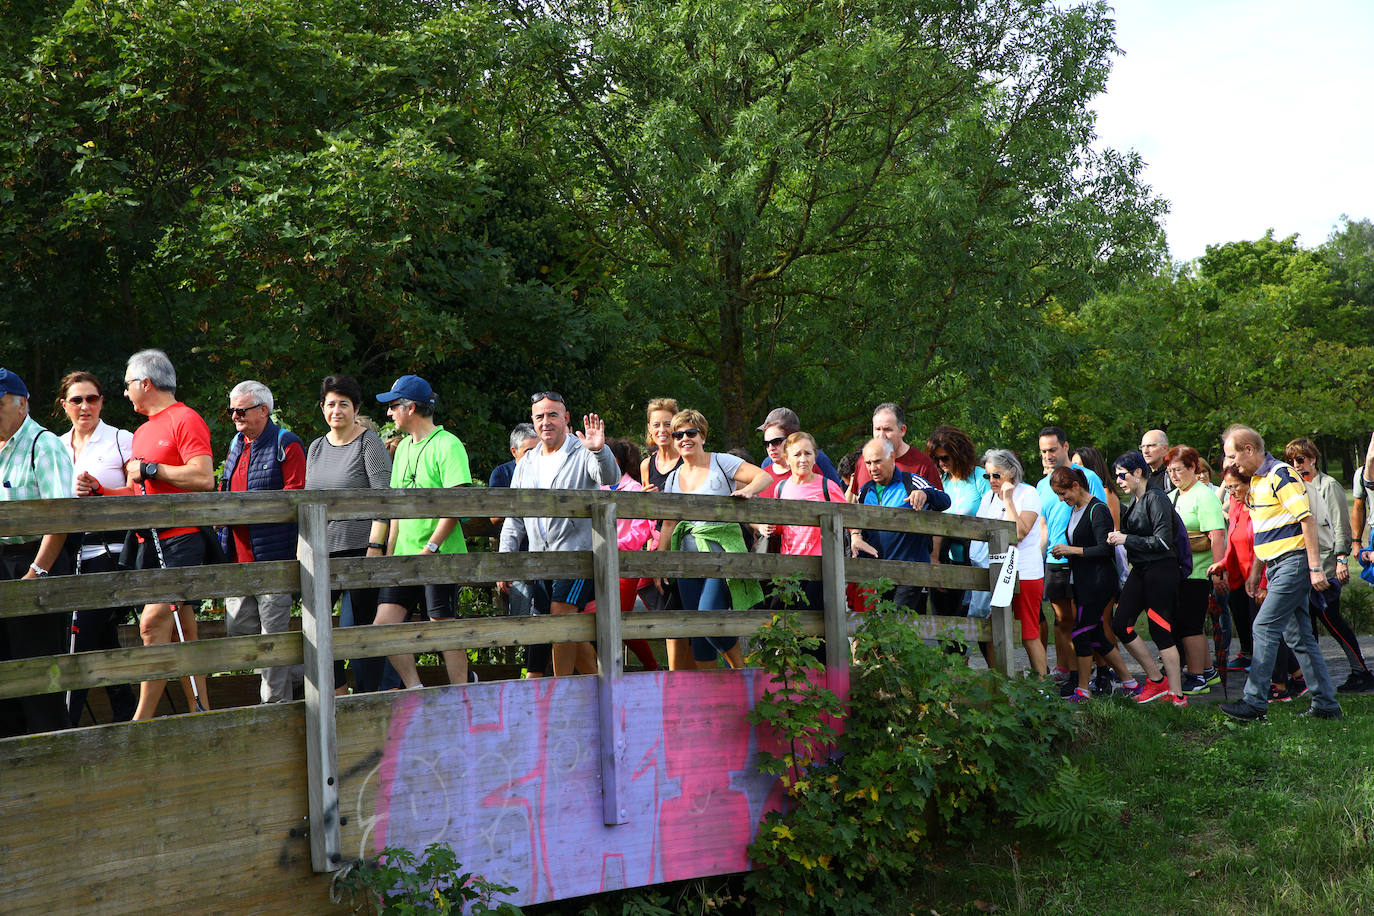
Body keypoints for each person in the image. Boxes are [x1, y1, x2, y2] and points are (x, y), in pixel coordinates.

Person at [77, 349, 215, 720]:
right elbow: (142, 490)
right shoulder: (140, 432)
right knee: (181, 630)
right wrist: (102, 493)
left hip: (182, 537)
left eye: (126, 385)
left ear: (145, 383)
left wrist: (153, 467)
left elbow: (204, 477)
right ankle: (201, 713)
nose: (124, 393)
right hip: (147, 542)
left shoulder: (185, 419)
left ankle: (140, 723)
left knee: (152, 624)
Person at [1217, 426, 1340, 721]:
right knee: (1300, 637)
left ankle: (1254, 702)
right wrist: (1255, 573)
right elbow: (1263, 534)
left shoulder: (1280, 475)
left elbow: (1306, 520)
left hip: (1294, 564)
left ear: (1249, 449)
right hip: (1277, 565)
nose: (1231, 463)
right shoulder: (1257, 482)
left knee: (1263, 628)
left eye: (1233, 456)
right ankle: (1326, 704)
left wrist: (1313, 568)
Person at [498, 391, 619, 676]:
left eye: (553, 415)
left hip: (576, 557)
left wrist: (599, 451)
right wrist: (505, 559)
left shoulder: (583, 451)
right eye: (540, 416)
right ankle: (601, 687)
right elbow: (514, 516)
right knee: (565, 627)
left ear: (566, 418)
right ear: (533, 420)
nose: (546, 422)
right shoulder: (527, 462)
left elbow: (609, 477)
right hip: (541, 558)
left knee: (559, 617)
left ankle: (560, 690)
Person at [372, 375, 474, 687]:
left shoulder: (448, 444)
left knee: (441, 625)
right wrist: (390, 556)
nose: (389, 413)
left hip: (438, 556)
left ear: (410, 407)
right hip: (404, 558)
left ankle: (462, 689)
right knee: (383, 626)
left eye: (393, 407)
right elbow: (397, 510)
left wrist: (430, 547)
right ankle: (416, 690)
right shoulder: (401, 449)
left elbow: (457, 503)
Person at [656, 409, 772, 670]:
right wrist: (660, 562)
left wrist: (748, 491)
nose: (684, 438)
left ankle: (739, 670)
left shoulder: (721, 462)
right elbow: (669, 523)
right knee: (698, 629)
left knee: (708, 615)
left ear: (703, 436)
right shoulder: (673, 476)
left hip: (721, 555)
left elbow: (763, 476)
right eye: (678, 434)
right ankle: (709, 696)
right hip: (686, 560)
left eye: (691, 432)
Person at [304, 374, 394, 694]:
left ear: (355, 408)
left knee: (363, 632)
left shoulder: (368, 442)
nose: (337, 410)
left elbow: (383, 497)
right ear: (322, 408)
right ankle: (338, 694)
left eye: (344, 404)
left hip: (360, 549)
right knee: (316, 628)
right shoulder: (315, 447)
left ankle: (371, 696)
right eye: (331, 404)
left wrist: (375, 544)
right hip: (321, 552)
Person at [219, 380, 306, 704]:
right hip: (238, 558)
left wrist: (249, 506)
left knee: (272, 639)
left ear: (263, 410)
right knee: (239, 631)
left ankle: (275, 709)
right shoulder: (235, 444)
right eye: (232, 411)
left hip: (273, 557)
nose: (234, 416)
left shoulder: (287, 443)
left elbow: (295, 497)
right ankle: (301, 671)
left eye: (240, 411)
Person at [57, 371, 136, 724]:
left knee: (84, 633)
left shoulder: (122, 440)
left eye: (92, 398)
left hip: (112, 553)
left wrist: (101, 491)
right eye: (77, 399)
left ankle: (67, 722)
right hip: (67, 553)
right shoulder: (54, 446)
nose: (85, 405)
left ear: (102, 401)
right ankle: (125, 708)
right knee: (99, 635)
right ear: (64, 406)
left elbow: (141, 493)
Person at [0, 368, 75, 736]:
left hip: (34, 560)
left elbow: (60, 517)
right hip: (3, 562)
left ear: (21, 404)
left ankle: (49, 749)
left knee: (37, 666)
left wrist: (37, 571)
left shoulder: (43, 444)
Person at [1285, 437, 1372, 693]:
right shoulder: (1294, 487)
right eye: (1291, 461)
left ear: (1313, 458)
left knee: (1331, 619)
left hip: (1325, 563)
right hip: (1302, 563)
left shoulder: (1328, 485)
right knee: (1305, 625)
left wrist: (1342, 558)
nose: (1296, 465)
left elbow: (1339, 525)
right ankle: (1311, 679)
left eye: (1300, 459)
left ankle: (1361, 671)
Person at [1047, 466, 1133, 702]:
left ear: (1076, 486)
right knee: (1095, 635)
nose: (1062, 499)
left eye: (1063, 494)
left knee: (1081, 633)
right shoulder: (1076, 509)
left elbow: (1105, 548)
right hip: (1082, 583)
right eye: (1058, 495)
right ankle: (1130, 682)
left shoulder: (1098, 509)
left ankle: (1083, 690)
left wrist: (1070, 550)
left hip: (1098, 583)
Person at [1107, 451, 1185, 706]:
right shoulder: (1136, 501)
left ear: (1138, 472)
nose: (1118, 481)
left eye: (1122, 475)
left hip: (1162, 570)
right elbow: (1136, 534)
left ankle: (1177, 695)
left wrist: (1126, 538)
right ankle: (1156, 679)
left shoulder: (1156, 498)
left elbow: (1162, 541)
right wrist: (1118, 535)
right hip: (1141, 570)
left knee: (1160, 629)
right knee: (1121, 624)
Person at [1035, 427, 1107, 685]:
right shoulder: (1043, 485)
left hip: (1084, 560)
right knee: (1063, 620)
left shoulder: (1087, 477)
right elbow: (1043, 526)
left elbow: (1100, 516)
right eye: (1043, 451)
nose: (1048, 456)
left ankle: (1100, 673)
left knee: (1087, 620)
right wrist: (1039, 558)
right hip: (1055, 562)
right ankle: (1073, 674)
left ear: (1065, 447)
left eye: (1052, 450)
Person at [850, 437, 950, 610]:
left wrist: (925, 494)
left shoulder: (911, 482)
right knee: (888, 623)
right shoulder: (865, 491)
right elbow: (856, 519)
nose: (872, 468)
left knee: (896, 621)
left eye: (877, 461)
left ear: (892, 457)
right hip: (879, 572)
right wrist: (855, 535)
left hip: (910, 569)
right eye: (868, 463)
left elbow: (945, 500)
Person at [762, 432, 856, 614]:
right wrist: (772, 527)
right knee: (783, 620)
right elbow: (782, 528)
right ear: (787, 458)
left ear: (815, 457)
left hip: (819, 567)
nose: (803, 459)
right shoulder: (781, 488)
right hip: (788, 567)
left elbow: (849, 517)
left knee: (814, 624)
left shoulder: (827, 486)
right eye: (797, 454)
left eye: (808, 453)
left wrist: (856, 536)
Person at [974, 449, 1047, 675]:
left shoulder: (1029, 494)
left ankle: (1042, 686)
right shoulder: (987, 498)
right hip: (995, 571)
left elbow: (1019, 532)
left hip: (1024, 572)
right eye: (987, 476)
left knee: (1028, 633)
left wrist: (1008, 500)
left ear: (1011, 471)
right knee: (992, 630)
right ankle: (1000, 682)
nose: (992, 481)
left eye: (997, 475)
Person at [1163, 446, 1226, 695]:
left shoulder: (1204, 496)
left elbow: (1217, 535)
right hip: (1180, 571)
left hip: (1199, 571)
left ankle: (1197, 676)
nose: (1174, 475)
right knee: (1187, 624)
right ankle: (1208, 671)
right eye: (1170, 471)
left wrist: (1218, 570)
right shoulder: (1174, 496)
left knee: (1190, 626)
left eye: (1178, 470)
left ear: (1192, 468)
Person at [599, 437, 661, 671]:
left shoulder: (635, 489)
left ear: (614, 460)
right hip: (599, 562)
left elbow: (640, 531)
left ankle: (650, 666)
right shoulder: (597, 488)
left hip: (625, 566)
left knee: (615, 618)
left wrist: (609, 545)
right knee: (602, 619)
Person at [926, 425, 988, 615]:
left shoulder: (981, 478)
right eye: (936, 459)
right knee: (945, 625)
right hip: (945, 561)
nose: (941, 462)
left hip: (975, 563)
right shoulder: (939, 480)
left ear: (959, 453)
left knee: (982, 626)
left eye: (945, 457)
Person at [851, 402, 942, 492]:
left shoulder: (923, 465)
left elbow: (940, 503)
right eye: (877, 429)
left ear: (902, 430)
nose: (881, 436)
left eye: (887, 430)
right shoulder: (863, 462)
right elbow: (854, 501)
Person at [755, 407, 843, 492]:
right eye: (766, 443)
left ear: (792, 438)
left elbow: (838, 495)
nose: (770, 448)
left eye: (776, 442)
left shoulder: (817, 459)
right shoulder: (766, 465)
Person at [639, 397, 682, 491]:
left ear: (676, 426)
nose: (662, 430)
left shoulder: (688, 461)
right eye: (656, 425)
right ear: (649, 428)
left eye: (667, 424)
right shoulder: (646, 465)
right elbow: (645, 504)